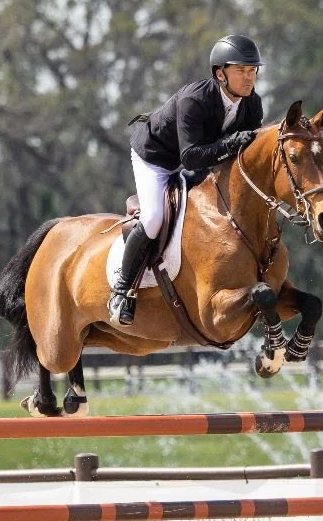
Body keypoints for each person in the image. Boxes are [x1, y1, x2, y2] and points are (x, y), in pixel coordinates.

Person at [109, 34, 266, 326]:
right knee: (154, 217)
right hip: (156, 159)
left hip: (202, 160)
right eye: (241, 71)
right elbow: (191, 157)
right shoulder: (195, 99)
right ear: (220, 74)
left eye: (253, 71)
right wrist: (231, 143)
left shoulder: (252, 105)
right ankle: (122, 290)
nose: (249, 78)